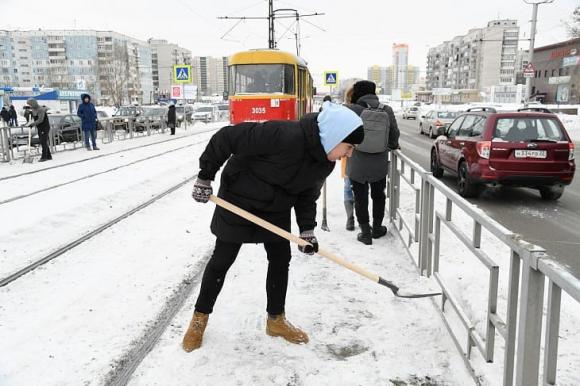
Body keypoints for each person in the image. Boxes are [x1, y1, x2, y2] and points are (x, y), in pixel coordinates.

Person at [182, 102, 365, 352]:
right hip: (239, 199)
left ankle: (276, 320)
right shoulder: (282, 135)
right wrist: (205, 176)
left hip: (276, 207)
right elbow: (226, 137)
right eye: (349, 146)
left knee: (281, 259)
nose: (349, 154)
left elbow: (306, 195)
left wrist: (307, 230)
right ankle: (199, 320)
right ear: (334, 136)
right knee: (222, 259)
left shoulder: (324, 162)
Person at [346, 80, 400, 245]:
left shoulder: (352, 110)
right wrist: (387, 147)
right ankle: (377, 228)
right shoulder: (386, 110)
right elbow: (394, 136)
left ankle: (365, 232)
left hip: (357, 162)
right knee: (378, 195)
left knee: (360, 197)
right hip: (379, 162)